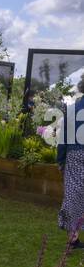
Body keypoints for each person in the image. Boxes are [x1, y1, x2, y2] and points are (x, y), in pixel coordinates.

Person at [57, 73, 84, 249]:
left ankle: (73, 237)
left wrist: (60, 160)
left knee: (73, 194)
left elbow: (63, 137)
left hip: (74, 153)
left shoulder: (73, 109)